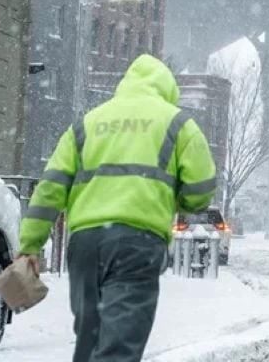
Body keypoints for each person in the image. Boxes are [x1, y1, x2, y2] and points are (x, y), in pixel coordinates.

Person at [17, 54, 217, 362]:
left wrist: (30, 244)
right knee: (118, 348)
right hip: (138, 243)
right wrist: (177, 200)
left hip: (85, 245)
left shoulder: (87, 123)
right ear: (167, 90)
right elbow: (201, 189)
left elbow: (50, 188)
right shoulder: (178, 123)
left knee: (90, 342)